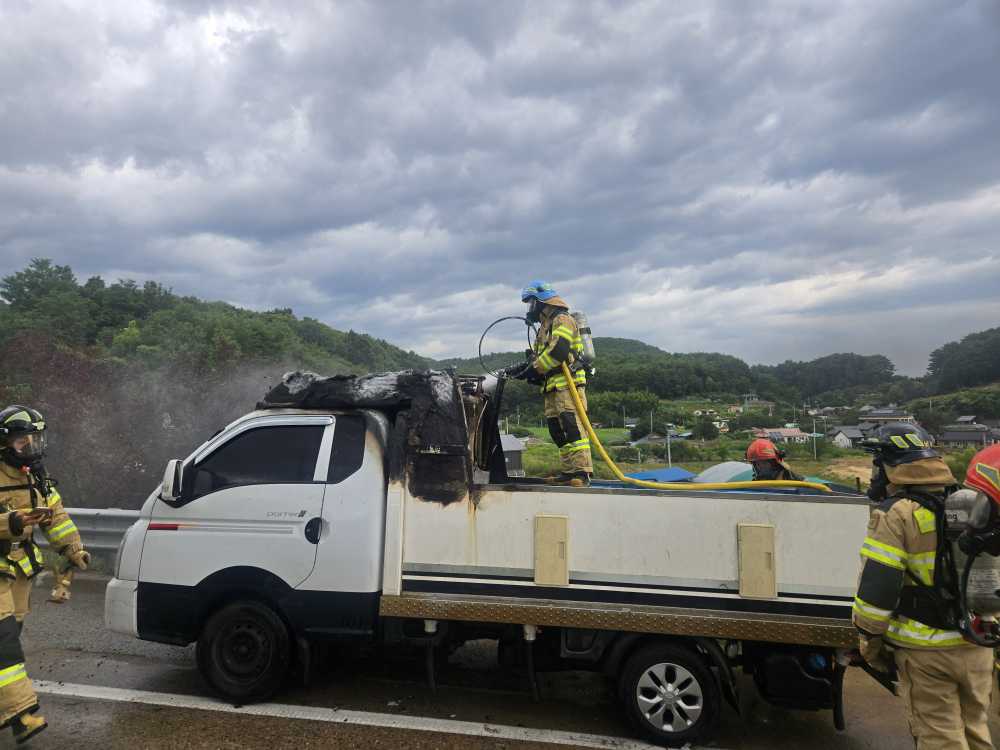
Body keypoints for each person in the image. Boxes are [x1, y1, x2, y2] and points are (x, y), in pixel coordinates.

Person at [852, 423, 995, 750]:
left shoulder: (897, 513)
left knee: (939, 738)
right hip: (976, 643)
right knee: (975, 732)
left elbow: (877, 592)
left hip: (926, 652)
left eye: (877, 465)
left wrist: (869, 645)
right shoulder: (969, 503)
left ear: (890, 466)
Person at [0, 405, 90, 743]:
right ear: (4, 443)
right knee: (4, 644)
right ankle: (22, 715)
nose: (31, 447)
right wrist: (12, 521)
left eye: (35, 440)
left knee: (10, 637)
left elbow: (57, 517)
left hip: (18, 572)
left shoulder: (36, 477)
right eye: (23, 441)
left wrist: (73, 549)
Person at [518, 280, 593, 487]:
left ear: (541, 301)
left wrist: (535, 368)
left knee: (573, 427)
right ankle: (569, 472)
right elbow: (539, 357)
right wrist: (526, 370)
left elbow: (559, 351)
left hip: (568, 385)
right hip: (551, 386)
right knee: (557, 430)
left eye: (531, 303)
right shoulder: (544, 327)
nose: (529, 308)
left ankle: (582, 471)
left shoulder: (562, 320)